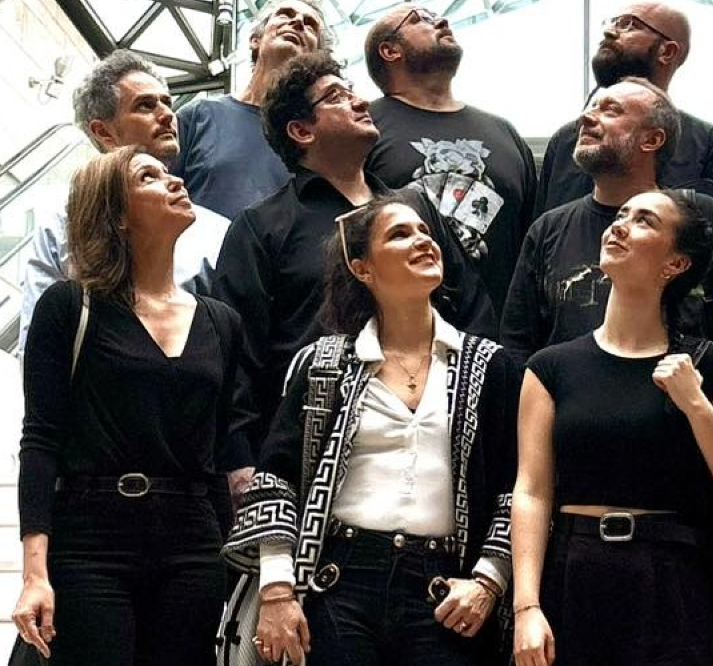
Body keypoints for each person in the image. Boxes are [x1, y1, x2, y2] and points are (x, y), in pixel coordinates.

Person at [222, 196, 519, 666]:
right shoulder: (324, 362)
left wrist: (488, 580)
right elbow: (276, 479)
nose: (422, 241)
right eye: (400, 234)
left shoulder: (491, 366)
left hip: (445, 590)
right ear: (362, 268)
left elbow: (517, 487)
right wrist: (277, 592)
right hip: (339, 581)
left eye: (425, 231)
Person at [511, 189, 713, 666]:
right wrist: (526, 607)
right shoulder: (550, 367)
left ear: (676, 264)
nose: (619, 225)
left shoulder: (711, 366)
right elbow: (531, 491)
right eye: (621, 215)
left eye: (644, 220)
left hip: (673, 579)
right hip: (574, 571)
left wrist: (696, 404)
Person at [12, 146, 247, 665]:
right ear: (116, 214)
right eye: (148, 177)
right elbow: (41, 441)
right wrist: (34, 573)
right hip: (91, 537)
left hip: (192, 539)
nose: (174, 181)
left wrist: (230, 553)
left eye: (168, 173)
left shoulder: (221, 321)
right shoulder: (69, 305)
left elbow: (218, 451)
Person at [212, 51, 494, 473]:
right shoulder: (262, 225)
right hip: (307, 446)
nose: (360, 102)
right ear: (301, 130)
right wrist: (240, 461)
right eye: (336, 97)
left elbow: (471, 310)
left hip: (430, 434)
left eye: (352, 92)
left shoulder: (415, 209)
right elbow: (236, 350)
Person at [501, 78, 713, 448]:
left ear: (652, 140)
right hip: (576, 445)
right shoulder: (549, 229)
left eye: (611, 110)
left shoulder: (702, 219)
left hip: (688, 446)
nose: (587, 118)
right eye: (591, 107)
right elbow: (518, 350)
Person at [18, 50, 224, 350]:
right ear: (103, 132)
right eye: (145, 105)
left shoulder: (215, 232)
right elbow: (36, 344)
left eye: (167, 102)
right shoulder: (63, 223)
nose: (167, 114)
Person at [363, 3, 537, 319]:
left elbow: (532, 243)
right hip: (401, 329)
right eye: (419, 19)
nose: (441, 21)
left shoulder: (503, 132)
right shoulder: (365, 128)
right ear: (389, 51)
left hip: (498, 333)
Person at [534, 0, 713, 219]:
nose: (609, 31)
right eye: (611, 23)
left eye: (629, 24)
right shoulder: (566, 141)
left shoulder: (709, 145)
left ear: (667, 51)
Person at [172, 0, 331, 222]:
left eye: (310, 25)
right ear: (255, 39)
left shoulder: (315, 140)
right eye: (285, 14)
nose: (297, 22)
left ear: (317, 59)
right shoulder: (199, 115)